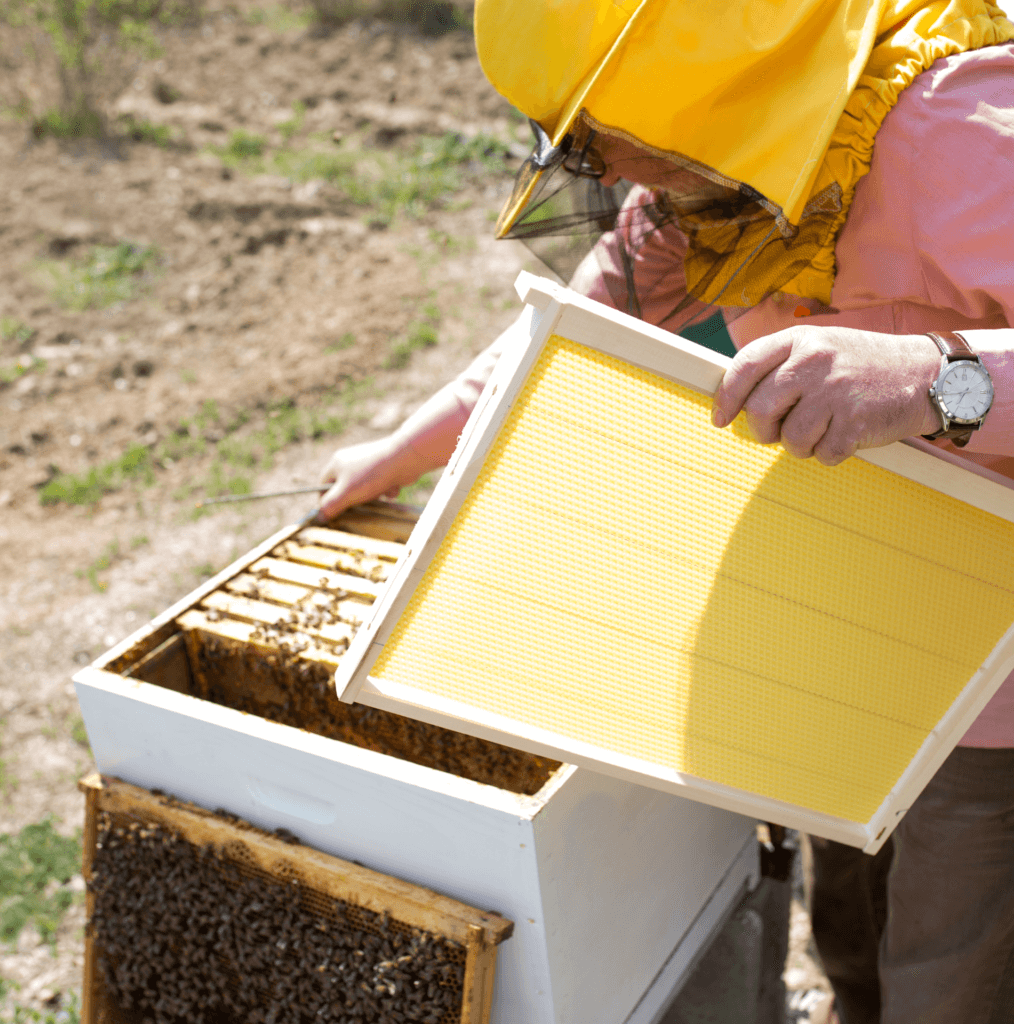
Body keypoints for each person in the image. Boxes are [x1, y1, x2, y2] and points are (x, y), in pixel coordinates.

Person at [317, 2, 1014, 1021]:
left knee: (945, 980)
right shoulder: (700, 190)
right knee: (849, 939)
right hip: (853, 626)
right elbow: (560, 337)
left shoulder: (958, 129)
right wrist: (391, 455)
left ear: (700, 83)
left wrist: (930, 379)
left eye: (600, 130)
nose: (594, 168)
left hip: (994, 670)